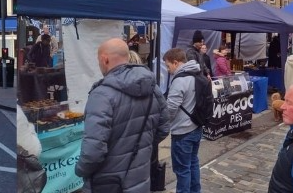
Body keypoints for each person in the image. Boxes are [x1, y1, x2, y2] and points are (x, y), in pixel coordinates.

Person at [75, 38, 164, 193]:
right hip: (140, 178)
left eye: (99, 60)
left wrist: (80, 170)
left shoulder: (101, 95)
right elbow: (164, 127)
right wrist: (142, 149)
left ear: (105, 59)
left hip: (109, 182)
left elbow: (93, 151)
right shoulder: (152, 87)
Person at [161, 48, 203, 193]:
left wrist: (163, 124)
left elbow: (171, 108)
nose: (168, 70)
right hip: (196, 127)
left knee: (182, 169)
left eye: (168, 66)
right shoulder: (197, 73)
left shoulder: (180, 80)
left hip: (183, 130)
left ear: (176, 62)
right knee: (193, 163)